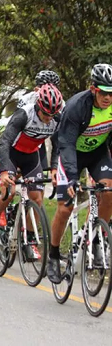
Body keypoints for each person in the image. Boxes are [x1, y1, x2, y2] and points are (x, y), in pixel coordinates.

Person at [47, 64, 112, 284]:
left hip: (97, 154)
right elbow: (65, 144)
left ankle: (97, 239)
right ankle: (54, 255)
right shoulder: (77, 106)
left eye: (111, 93)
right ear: (93, 89)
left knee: (109, 191)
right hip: (72, 153)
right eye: (104, 92)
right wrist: (73, 178)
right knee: (65, 207)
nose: (107, 98)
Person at [0, 84, 63, 261]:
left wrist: (54, 168)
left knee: (36, 197)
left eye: (52, 115)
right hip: (12, 154)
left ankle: (29, 241)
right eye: (45, 114)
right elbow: (5, 142)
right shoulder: (24, 114)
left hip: (31, 156)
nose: (48, 118)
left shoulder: (56, 119)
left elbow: (58, 145)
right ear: (38, 107)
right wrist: (5, 171)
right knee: (10, 192)